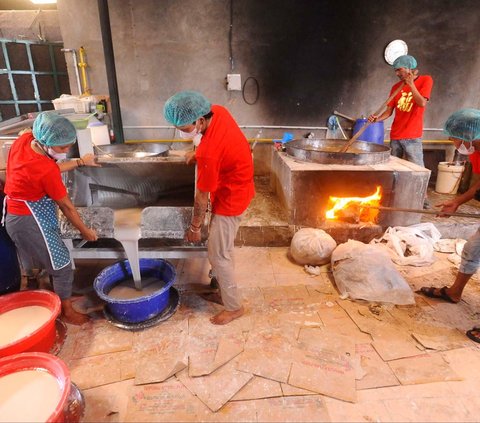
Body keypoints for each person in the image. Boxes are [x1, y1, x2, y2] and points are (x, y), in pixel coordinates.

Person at [163, 91, 255, 325]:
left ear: (200, 121)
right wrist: (198, 153)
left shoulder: (209, 152)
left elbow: (201, 198)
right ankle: (223, 290)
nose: (183, 133)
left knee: (218, 254)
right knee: (223, 249)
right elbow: (218, 146)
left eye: (185, 128)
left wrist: (195, 227)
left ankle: (234, 307)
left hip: (232, 198)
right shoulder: (218, 111)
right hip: (239, 183)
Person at [3, 112, 99, 325]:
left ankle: (62, 295)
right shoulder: (44, 169)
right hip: (27, 220)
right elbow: (66, 206)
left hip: (21, 212)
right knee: (62, 264)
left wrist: (81, 161)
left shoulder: (26, 139)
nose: (66, 151)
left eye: (68, 146)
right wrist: (85, 231)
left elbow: (29, 137)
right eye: (62, 148)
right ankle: (66, 310)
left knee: (56, 262)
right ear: (46, 143)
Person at [418, 108, 480, 342]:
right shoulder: (476, 151)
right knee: (473, 248)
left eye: (454, 137)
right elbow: (478, 185)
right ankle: (454, 293)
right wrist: (456, 202)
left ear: (468, 135)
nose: (452, 142)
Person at [369, 55, 433, 207]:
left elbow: (422, 103)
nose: (397, 73)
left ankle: (422, 199)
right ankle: (391, 198)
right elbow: (389, 111)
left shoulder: (425, 80)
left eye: (399, 70)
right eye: (395, 71)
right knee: (393, 170)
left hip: (412, 135)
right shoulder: (395, 88)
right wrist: (377, 118)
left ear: (409, 67)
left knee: (418, 169)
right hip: (396, 135)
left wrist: (411, 84)